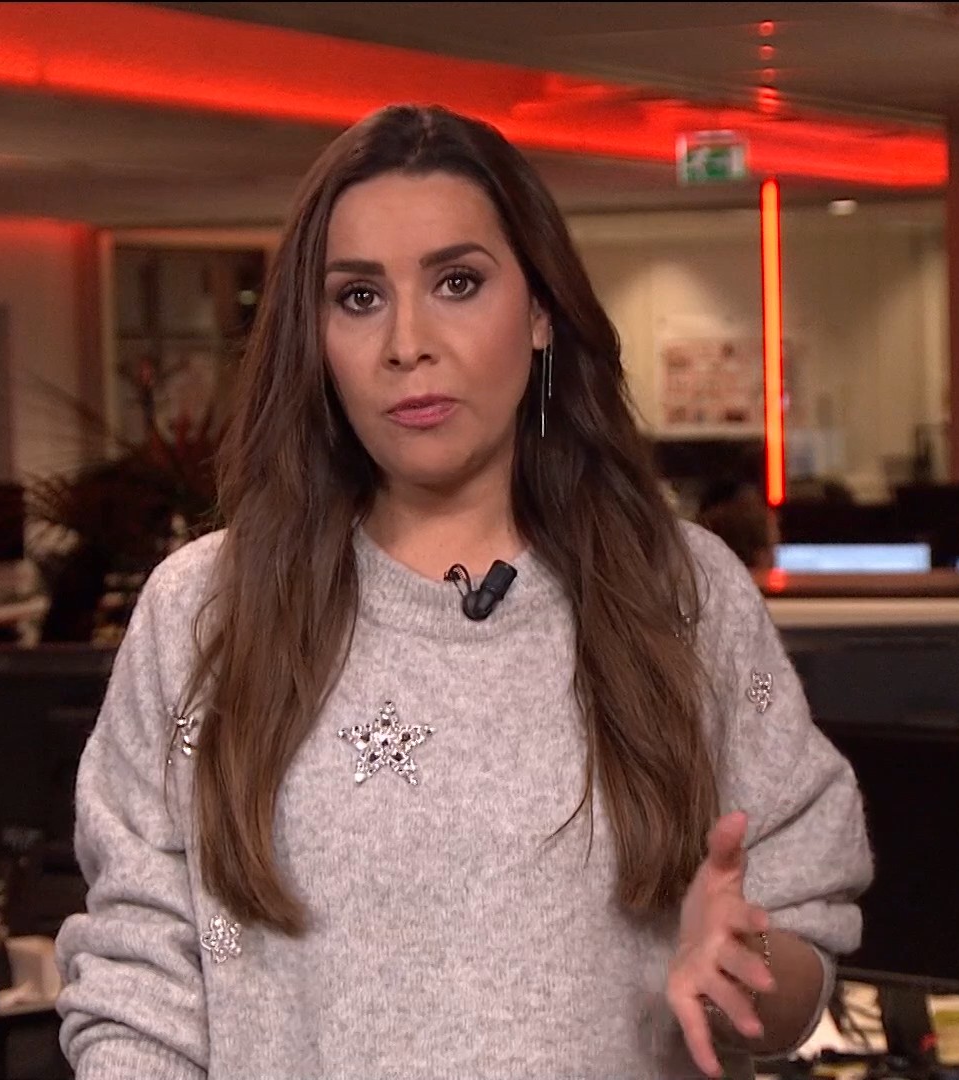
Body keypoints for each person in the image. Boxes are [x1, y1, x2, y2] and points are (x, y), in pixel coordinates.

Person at [55, 104, 871, 1080]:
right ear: (314, 336)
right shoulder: (204, 613)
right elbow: (137, 982)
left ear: (540, 311)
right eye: (359, 297)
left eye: (457, 283)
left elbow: (794, 957)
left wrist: (746, 961)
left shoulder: (680, 595)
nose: (407, 342)